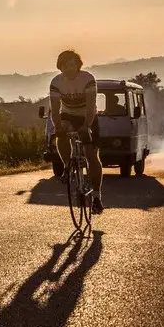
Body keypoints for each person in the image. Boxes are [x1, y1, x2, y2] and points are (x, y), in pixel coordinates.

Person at [49, 49, 104, 214]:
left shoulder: (88, 79)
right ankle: (68, 165)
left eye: (72, 65)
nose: (69, 68)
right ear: (60, 67)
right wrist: (57, 126)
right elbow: (55, 108)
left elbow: (90, 105)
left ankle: (96, 197)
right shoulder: (56, 82)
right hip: (68, 114)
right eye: (65, 66)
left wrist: (86, 125)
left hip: (88, 116)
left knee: (92, 156)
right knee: (61, 131)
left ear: (78, 65)